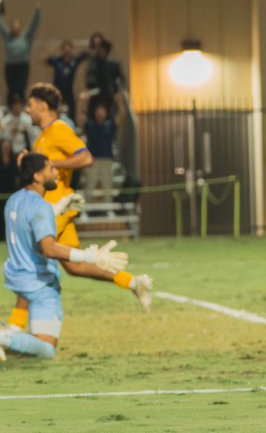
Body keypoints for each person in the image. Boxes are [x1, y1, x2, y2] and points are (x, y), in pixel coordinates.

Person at [6, 83, 152, 334]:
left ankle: (12, 333)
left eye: (30, 105)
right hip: (54, 208)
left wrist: (54, 163)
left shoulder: (59, 129)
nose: (28, 110)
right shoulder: (43, 135)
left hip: (53, 209)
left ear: (42, 105)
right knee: (73, 267)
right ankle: (134, 282)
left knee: (31, 263)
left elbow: (85, 158)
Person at [0, 153, 129, 360]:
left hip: (18, 278)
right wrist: (91, 257)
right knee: (47, 349)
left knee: (28, 347)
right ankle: (4, 338)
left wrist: (58, 209)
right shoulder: (40, 207)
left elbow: (29, 222)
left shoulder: (14, 200)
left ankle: (9, 338)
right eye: (50, 168)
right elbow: (49, 249)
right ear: (37, 176)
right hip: (40, 285)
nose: (56, 172)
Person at [81, 101, 119, 211]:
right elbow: (81, 119)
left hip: (107, 159)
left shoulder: (110, 125)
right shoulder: (90, 124)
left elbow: (120, 119)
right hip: (92, 160)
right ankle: (85, 210)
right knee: (90, 185)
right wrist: (82, 102)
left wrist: (120, 102)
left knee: (107, 185)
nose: (101, 113)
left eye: (103, 111)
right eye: (98, 110)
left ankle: (109, 209)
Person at [1, 4, 40, 102]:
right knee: (11, 88)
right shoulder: (7, 36)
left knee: (21, 88)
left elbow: (33, 26)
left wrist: (37, 12)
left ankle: (21, 106)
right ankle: (10, 107)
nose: (15, 28)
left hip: (23, 66)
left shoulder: (25, 37)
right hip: (10, 66)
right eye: (13, 26)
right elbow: (1, 25)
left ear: (20, 28)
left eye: (17, 26)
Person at [83, 38, 125, 116]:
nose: (101, 52)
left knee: (110, 117)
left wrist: (118, 92)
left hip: (109, 95)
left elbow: (120, 79)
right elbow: (89, 79)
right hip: (95, 95)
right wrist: (88, 90)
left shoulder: (113, 64)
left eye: (103, 49)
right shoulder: (93, 63)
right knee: (93, 116)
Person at [45, 40, 85, 121]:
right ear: (62, 50)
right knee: (54, 109)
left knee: (71, 111)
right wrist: (53, 50)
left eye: (69, 48)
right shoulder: (57, 60)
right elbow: (44, 59)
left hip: (68, 90)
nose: (67, 51)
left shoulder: (75, 60)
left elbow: (87, 54)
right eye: (65, 49)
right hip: (56, 90)